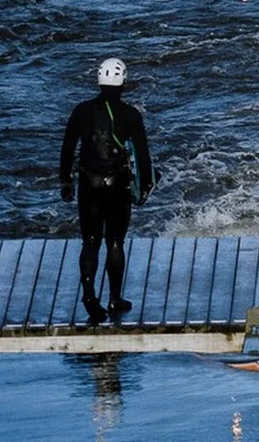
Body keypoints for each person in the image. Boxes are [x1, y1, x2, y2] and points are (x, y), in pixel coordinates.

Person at [60, 58, 154, 325]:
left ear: (99, 81)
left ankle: (89, 296)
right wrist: (145, 186)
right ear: (123, 82)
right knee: (115, 242)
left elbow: (67, 148)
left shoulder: (81, 111)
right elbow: (143, 155)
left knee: (90, 241)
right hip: (117, 184)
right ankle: (114, 298)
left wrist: (65, 181)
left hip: (88, 183)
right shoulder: (131, 114)